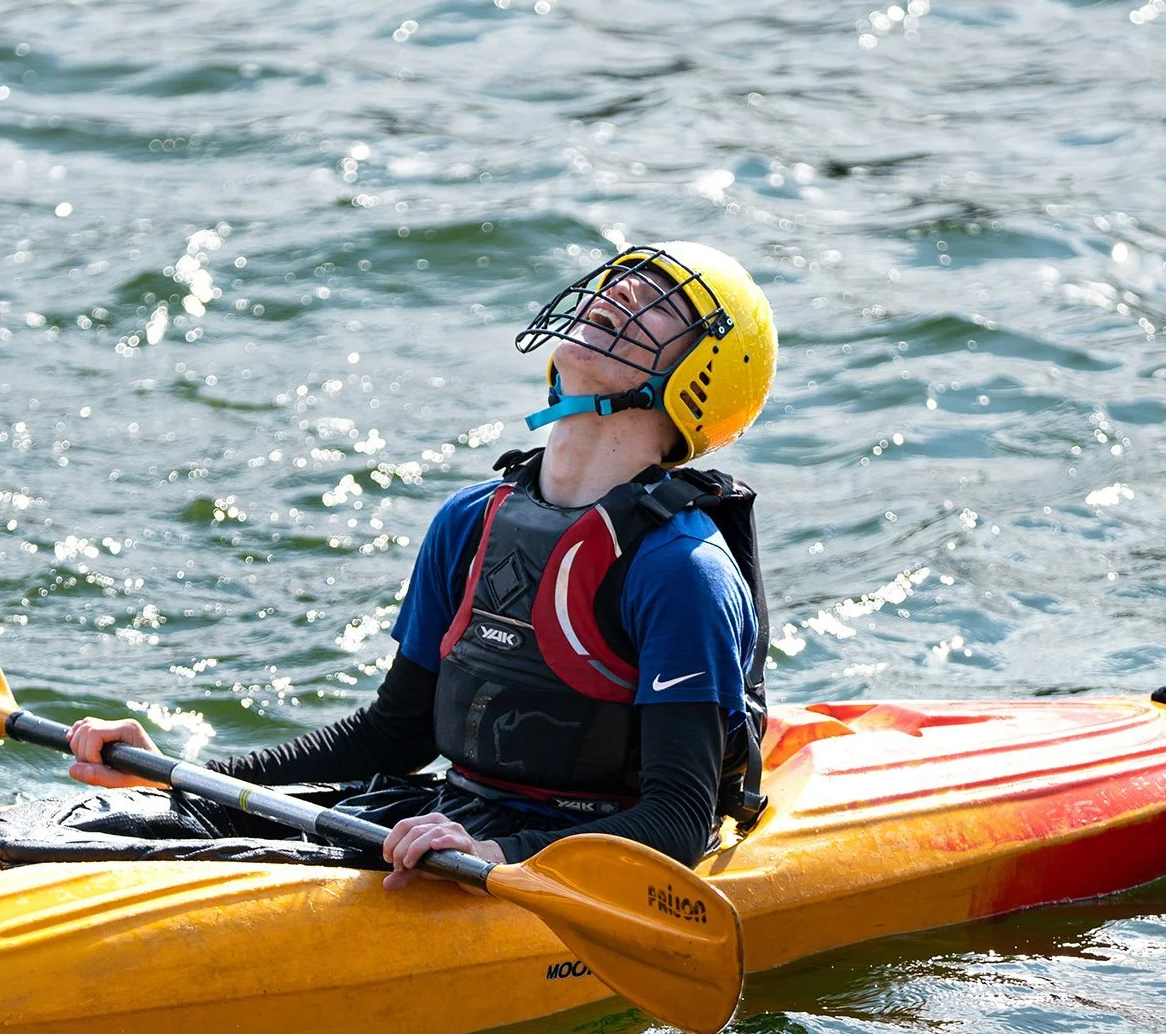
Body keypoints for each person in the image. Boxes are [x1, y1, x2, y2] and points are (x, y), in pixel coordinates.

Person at [64, 241, 778, 887]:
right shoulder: (470, 521)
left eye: (662, 300)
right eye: (618, 279)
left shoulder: (681, 569)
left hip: (549, 848)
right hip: (442, 820)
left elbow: (678, 821)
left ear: (702, 377)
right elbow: (394, 734)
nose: (618, 292)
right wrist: (187, 779)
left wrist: (498, 854)